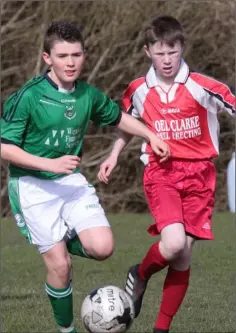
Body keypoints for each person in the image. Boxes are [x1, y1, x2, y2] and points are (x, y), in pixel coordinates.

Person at [1, 20, 170, 333]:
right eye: (63, 56)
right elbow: (4, 148)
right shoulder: (28, 97)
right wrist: (48, 164)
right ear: (47, 58)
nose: (70, 62)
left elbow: (119, 117)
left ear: (84, 56)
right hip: (32, 188)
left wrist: (150, 135)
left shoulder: (87, 95)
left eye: (76, 55)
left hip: (70, 183)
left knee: (103, 248)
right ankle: (67, 330)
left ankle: (58, 241)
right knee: (60, 266)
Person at [98, 15, 235, 333]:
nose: (167, 59)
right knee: (173, 244)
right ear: (148, 52)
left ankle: (161, 329)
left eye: (172, 52)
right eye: (160, 53)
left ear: (181, 48)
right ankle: (140, 274)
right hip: (162, 174)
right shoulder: (139, 90)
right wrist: (114, 155)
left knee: (183, 256)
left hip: (200, 179)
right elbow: (127, 126)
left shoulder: (203, 87)